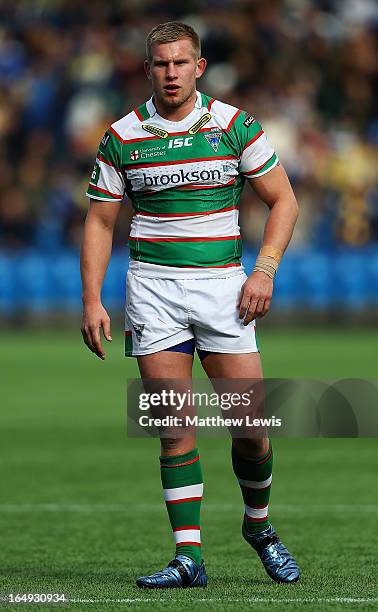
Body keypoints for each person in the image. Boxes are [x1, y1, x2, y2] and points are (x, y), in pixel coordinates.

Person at [80, 21, 300, 589]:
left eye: (180, 63)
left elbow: (283, 201)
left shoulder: (234, 125)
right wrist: (92, 299)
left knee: (249, 427)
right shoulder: (123, 135)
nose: (170, 73)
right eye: (160, 64)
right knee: (174, 429)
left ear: (198, 67)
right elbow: (101, 221)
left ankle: (260, 526)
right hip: (152, 290)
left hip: (224, 289)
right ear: (147, 68)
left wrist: (264, 272)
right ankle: (188, 557)